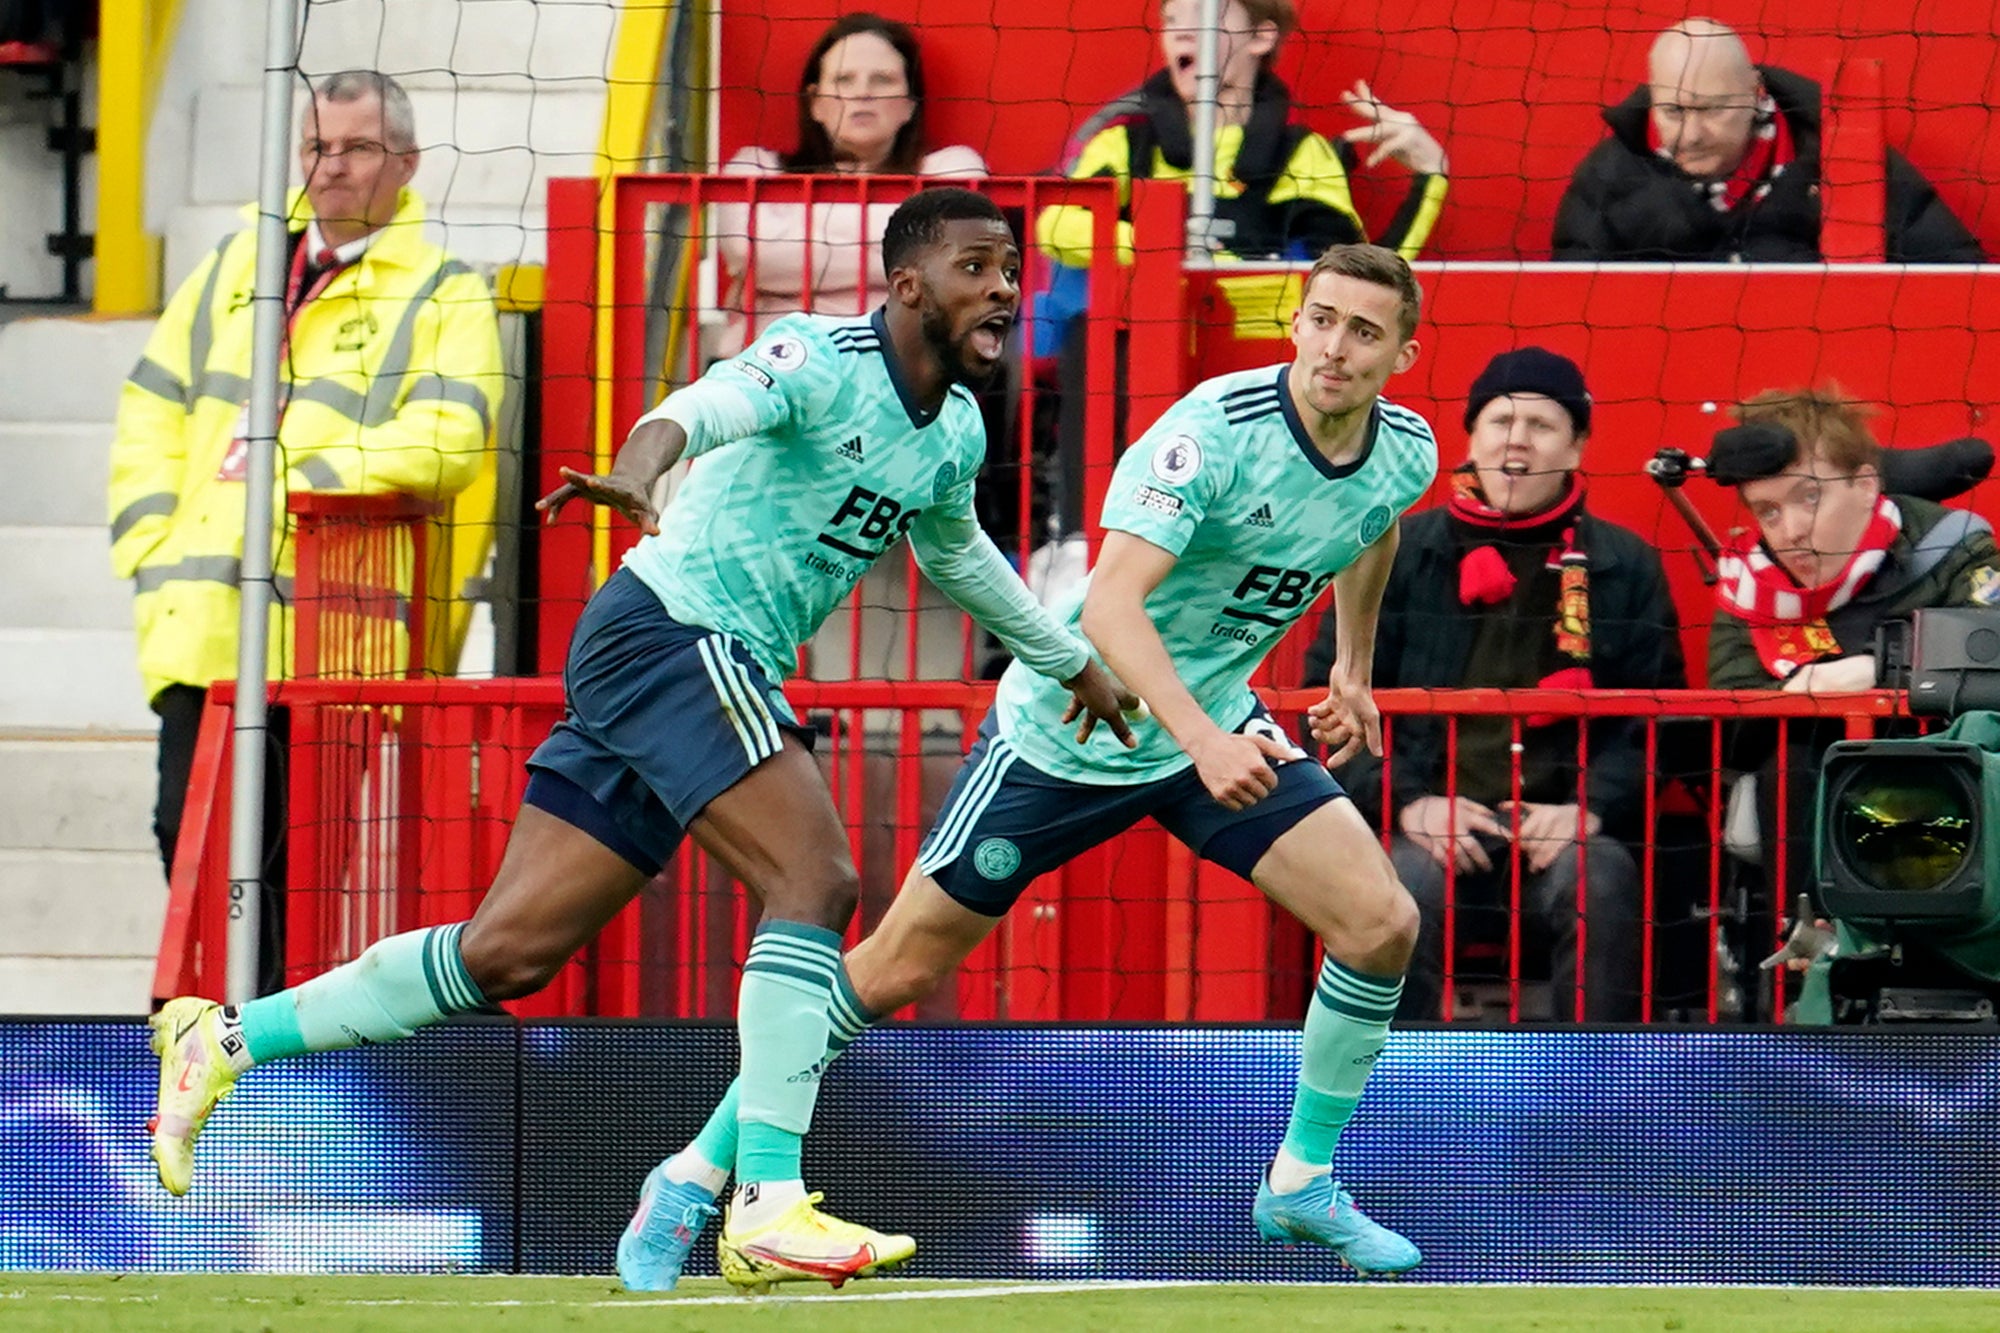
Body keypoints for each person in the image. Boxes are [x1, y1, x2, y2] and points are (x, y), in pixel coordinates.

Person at [145, 190, 1138, 1289]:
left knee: (507, 951)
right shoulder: (816, 356)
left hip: (680, 661)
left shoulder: (953, 429)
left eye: (1008, 268)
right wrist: (638, 463)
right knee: (816, 875)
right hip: (673, 632)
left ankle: (226, 1038)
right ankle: (764, 1198)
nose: (1002, 287)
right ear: (908, 286)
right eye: (975, 267)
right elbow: (700, 407)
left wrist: (1068, 660)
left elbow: (957, 559)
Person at [617, 243, 1439, 1292]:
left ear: (1401, 353)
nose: (1334, 345)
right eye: (1320, 318)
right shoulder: (1210, 435)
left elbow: (1368, 529)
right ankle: (690, 1177)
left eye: (1362, 331)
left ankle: (1299, 1180)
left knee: (1380, 924)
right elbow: (1108, 607)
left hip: (1209, 730)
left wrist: (1354, 669)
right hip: (1073, 729)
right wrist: (1199, 737)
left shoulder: (1402, 451)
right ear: (1294, 322)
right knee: (889, 970)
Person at [107, 71, 504, 971]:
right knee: (190, 845)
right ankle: (227, 1050)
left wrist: (296, 478)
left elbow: (451, 442)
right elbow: (151, 402)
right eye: (318, 147)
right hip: (202, 621)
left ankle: (266, 1061)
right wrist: (149, 538)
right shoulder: (237, 264)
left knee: (290, 877)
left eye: (357, 148)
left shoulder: (445, 290)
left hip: (329, 636)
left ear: (405, 162)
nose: (332, 168)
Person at [1306, 348, 1687, 1022]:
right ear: (1471, 438)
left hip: (1564, 827)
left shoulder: (1625, 564)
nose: (1517, 438)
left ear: (1576, 448)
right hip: (1425, 822)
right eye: (1499, 420)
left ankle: (1594, 1090)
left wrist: (1589, 808)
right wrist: (1405, 802)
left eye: (1541, 425)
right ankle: (1398, 1087)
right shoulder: (1393, 551)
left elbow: (1656, 715)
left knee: (1599, 880)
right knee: (1397, 891)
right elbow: (1331, 698)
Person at [1707, 387, 2000, 907]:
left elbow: (1991, 659)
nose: (1791, 531)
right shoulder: (1750, 585)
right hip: (1815, 789)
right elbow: (1731, 715)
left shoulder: (1953, 545)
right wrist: (1796, 696)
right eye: (1768, 511)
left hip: (1950, 782)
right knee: (1789, 754)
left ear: (1865, 485)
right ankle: (1802, 946)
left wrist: (1881, 673)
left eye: (1809, 497)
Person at [1036, 0, 1449, 272]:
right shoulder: (1126, 145)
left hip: (1261, 361)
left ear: (1260, 37)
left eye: (1202, 16)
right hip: (1145, 352)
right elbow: (1054, 226)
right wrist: (1170, 245)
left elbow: (1360, 278)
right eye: (1171, 20)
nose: (1181, 32)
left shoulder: (1301, 154)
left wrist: (1432, 176)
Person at [1552, 18, 1984, 263]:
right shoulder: (1608, 177)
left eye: (1711, 110)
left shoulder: (1841, 158)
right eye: (1673, 112)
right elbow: (1570, 303)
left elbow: (1956, 272)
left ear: (1755, 93)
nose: (1691, 135)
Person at [713, 12, 985, 359]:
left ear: (910, 105)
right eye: (844, 79)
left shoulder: (953, 167)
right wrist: (905, 244)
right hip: (774, 372)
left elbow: (949, 260)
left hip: (901, 373)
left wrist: (799, 245)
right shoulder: (755, 167)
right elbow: (750, 256)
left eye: (883, 80)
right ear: (814, 103)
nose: (863, 93)